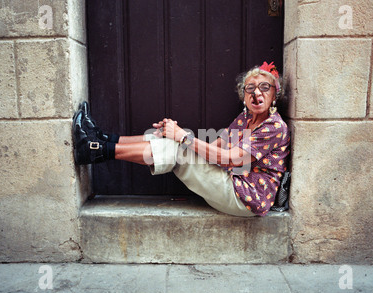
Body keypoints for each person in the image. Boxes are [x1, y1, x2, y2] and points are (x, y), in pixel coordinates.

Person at [73, 62, 290, 217]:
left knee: (179, 146)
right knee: (170, 138)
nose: (256, 94)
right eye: (250, 89)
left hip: (245, 199)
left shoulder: (274, 126)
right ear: (244, 96)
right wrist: (174, 134)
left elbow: (231, 160)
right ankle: (101, 139)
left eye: (264, 88)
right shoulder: (245, 118)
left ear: (274, 96)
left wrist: (183, 137)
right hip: (232, 182)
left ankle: (97, 148)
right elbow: (214, 147)